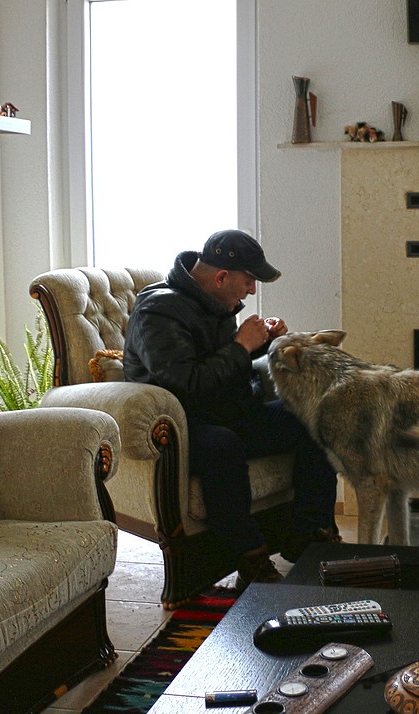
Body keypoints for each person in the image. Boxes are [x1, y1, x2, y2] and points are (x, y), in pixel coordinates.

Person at [123, 229, 340, 590]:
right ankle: (252, 560)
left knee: (316, 416)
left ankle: (308, 538)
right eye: (249, 280)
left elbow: (215, 362)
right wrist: (241, 346)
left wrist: (264, 344)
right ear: (222, 277)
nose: (252, 291)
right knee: (222, 445)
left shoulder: (212, 301)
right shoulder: (157, 311)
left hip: (227, 412)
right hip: (183, 425)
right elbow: (188, 382)